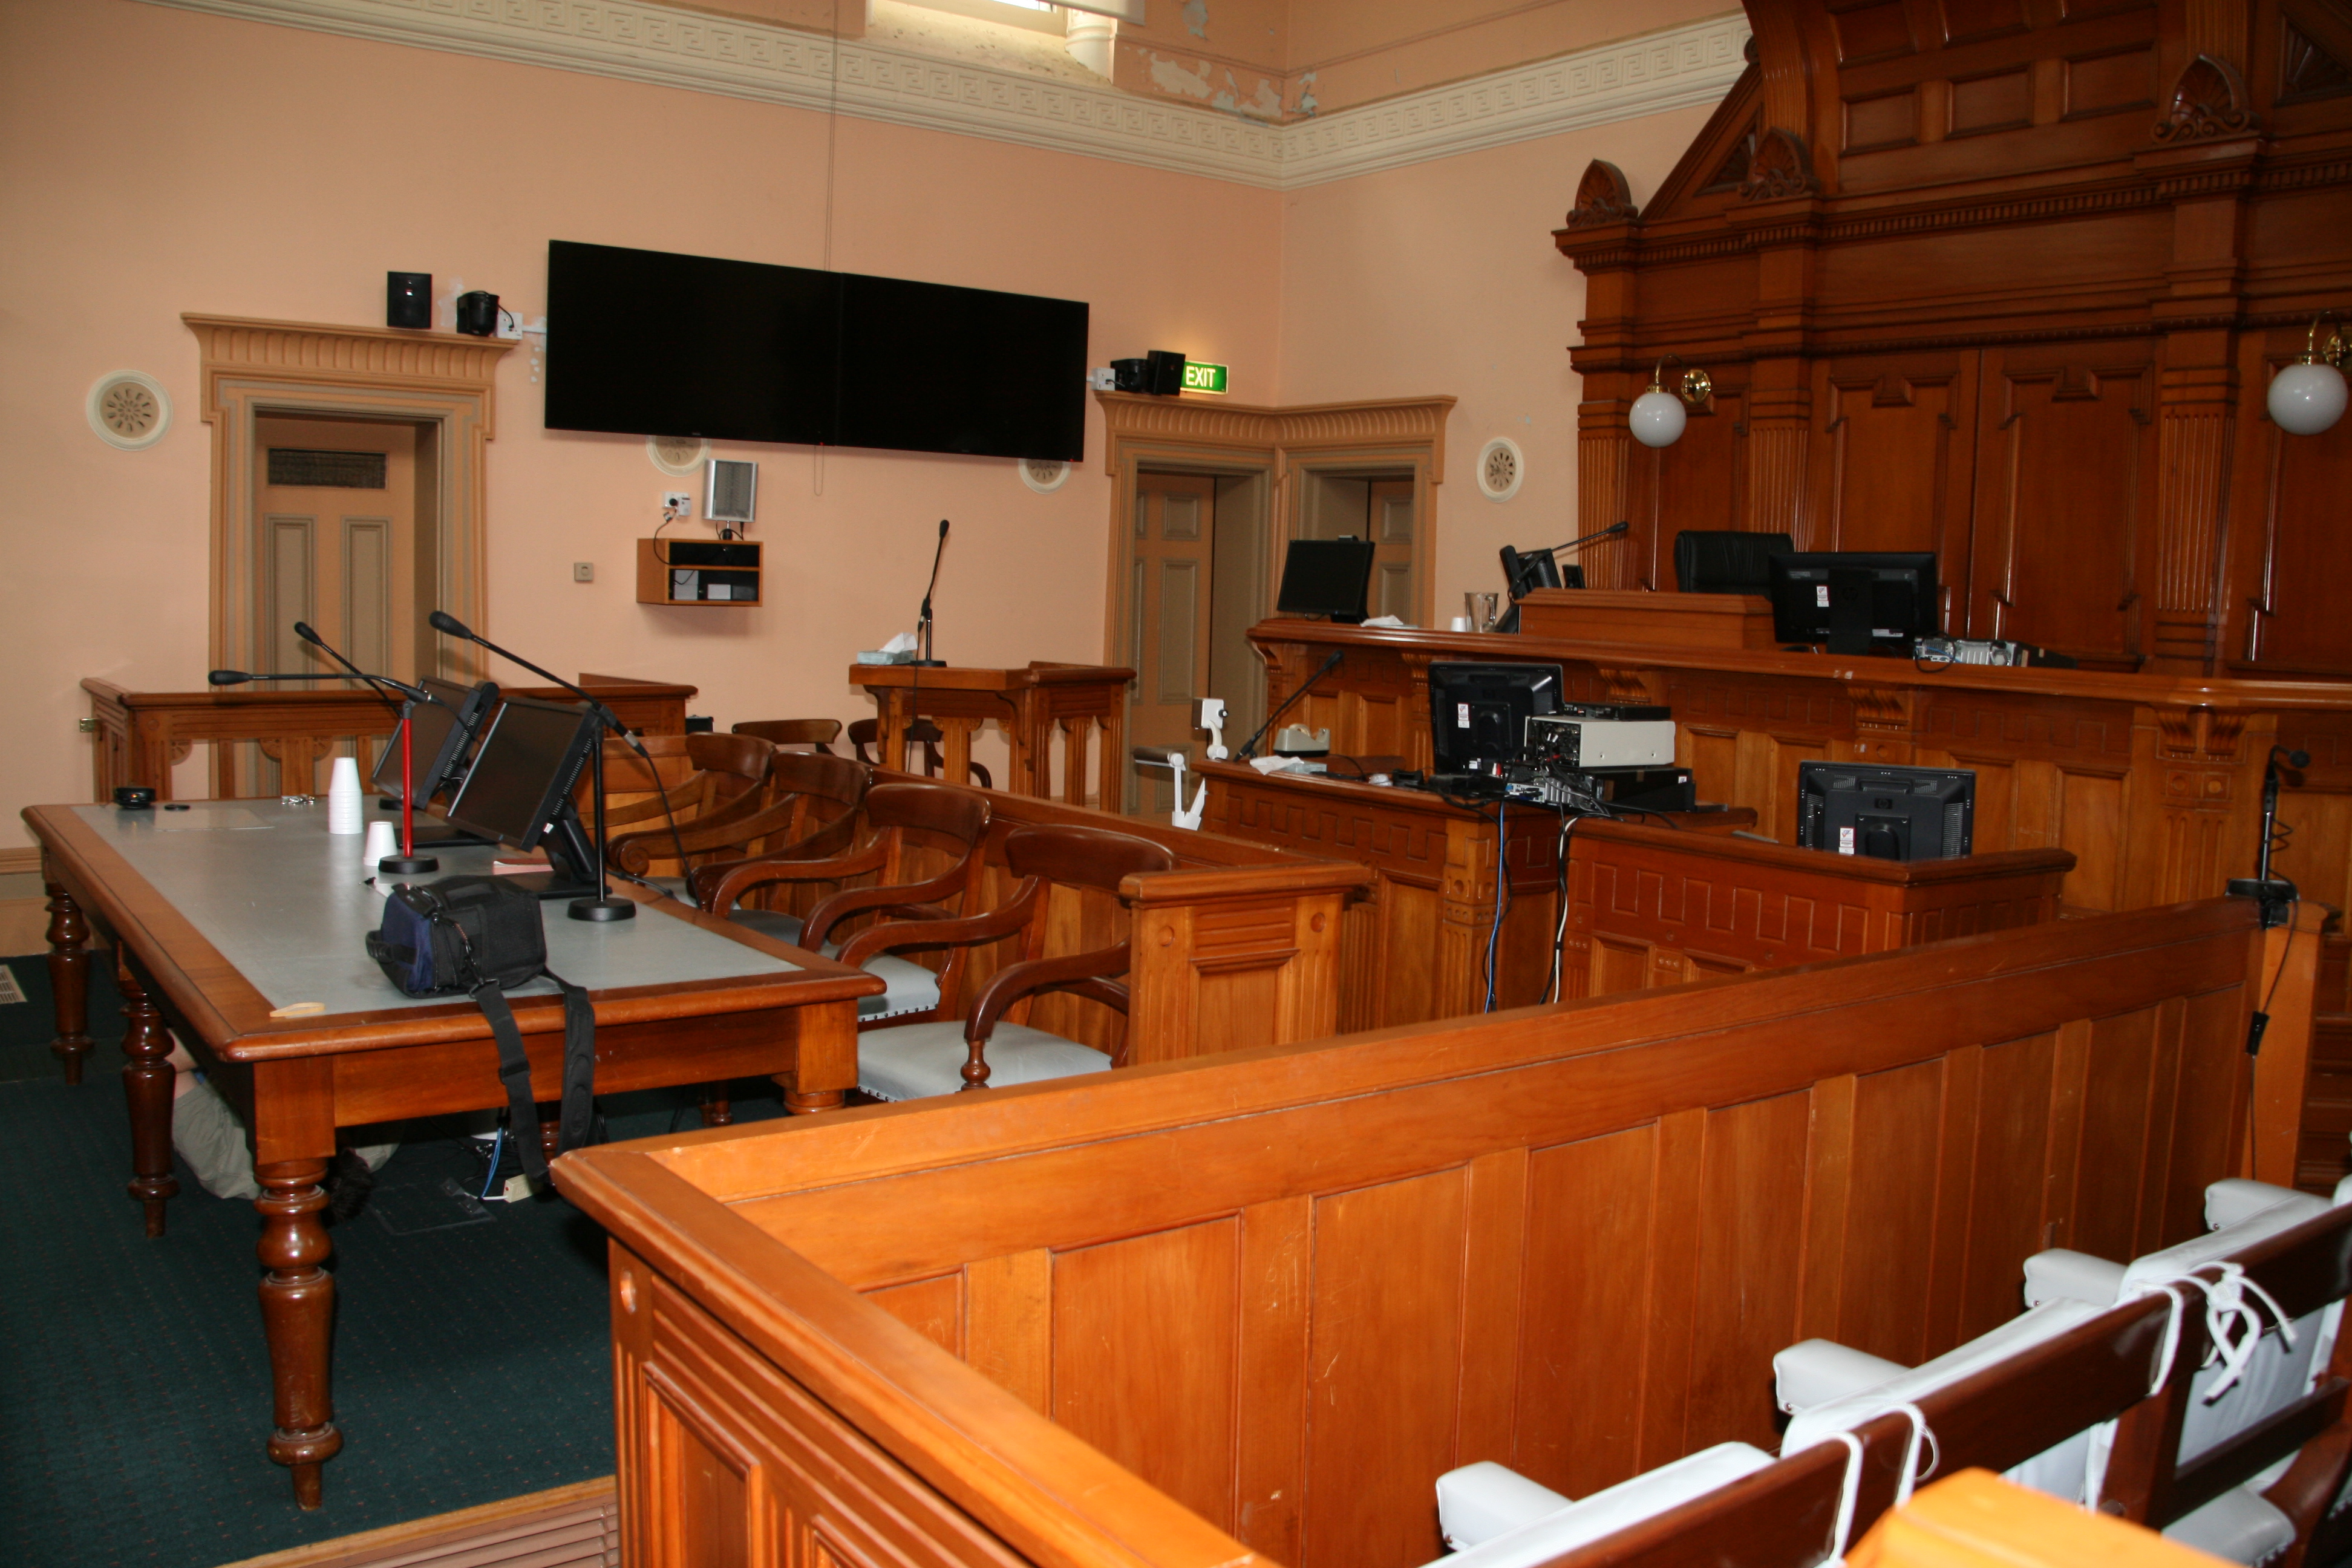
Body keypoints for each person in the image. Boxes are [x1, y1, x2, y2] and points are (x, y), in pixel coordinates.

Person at [165, 1031, 392, 1215]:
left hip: (232, 1042)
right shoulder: (379, 1138)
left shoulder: (224, 1166)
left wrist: (244, 1037)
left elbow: (163, 1063)